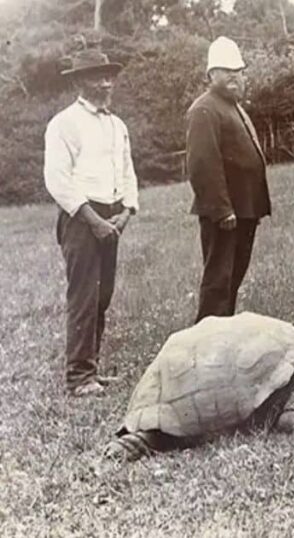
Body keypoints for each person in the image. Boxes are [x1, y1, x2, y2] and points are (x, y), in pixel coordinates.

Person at [43, 50, 139, 397]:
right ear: (78, 81)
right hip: (81, 218)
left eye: (110, 76)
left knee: (103, 295)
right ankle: (78, 376)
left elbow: (127, 171)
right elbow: (58, 180)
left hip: (112, 216)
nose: (106, 82)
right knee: (83, 296)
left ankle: (91, 368)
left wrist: (127, 212)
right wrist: (93, 219)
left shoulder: (117, 125)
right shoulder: (64, 124)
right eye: (98, 76)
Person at [185, 36, 270, 324]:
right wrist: (222, 210)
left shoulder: (232, 106)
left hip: (245, 209)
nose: (235, 76)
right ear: (211, 75)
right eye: (226, 71)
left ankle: (223, 338)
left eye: (239, 71)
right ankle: (206, 345)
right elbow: (201, 165)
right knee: (218, 283)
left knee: (232, 280)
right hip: (225, 213)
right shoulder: (204, 109)